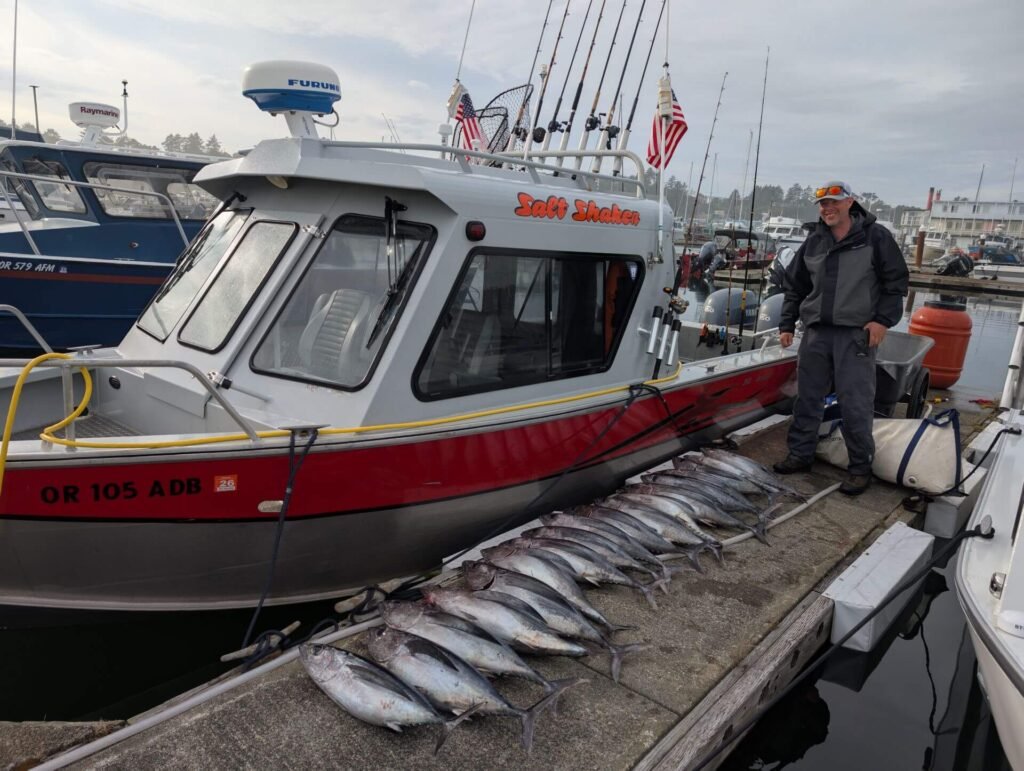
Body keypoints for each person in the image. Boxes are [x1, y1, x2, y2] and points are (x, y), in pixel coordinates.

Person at [773, 180, 909, 495]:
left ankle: (860, 468)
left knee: (856, 403)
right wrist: (786, 323)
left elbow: (896, 283)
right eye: (822, 204)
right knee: (807, 397)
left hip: (856, 336)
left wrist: (882, 321)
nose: (827, 209)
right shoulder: (814, 241)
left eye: (834, 202)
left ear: (850, 203)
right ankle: (800, 454)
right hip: (817, 333)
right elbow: (794, 286)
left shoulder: (876, 238)